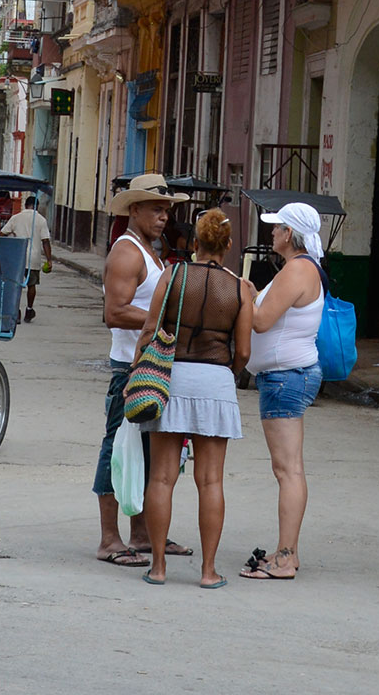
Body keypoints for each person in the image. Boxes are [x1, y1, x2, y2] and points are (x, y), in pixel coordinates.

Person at [133, 209, 253, 588]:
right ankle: (208, 571)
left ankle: (157, 567)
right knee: (211, 482)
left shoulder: (173, 275)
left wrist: (136, 370)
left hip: (172, 378)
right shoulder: (240, 289)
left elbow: (150, 330)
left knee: (162, 477)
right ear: (228, 245)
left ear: (196, 243)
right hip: (216, 381)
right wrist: (227, 372)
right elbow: (244, 352)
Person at [93, 173, 193, 567]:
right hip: (129, 368)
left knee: (148, 453)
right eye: (156, 209)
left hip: (153, 363)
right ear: (134, 210)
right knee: (116, 450)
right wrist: (166, 321)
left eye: (167, 210)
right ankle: (109, 539)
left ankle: (143, 535)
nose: (164, 217)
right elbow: (114, 312)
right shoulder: (127, 253)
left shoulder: (150, 252)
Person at [239, 202, 326, 581]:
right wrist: (254, 292)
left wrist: (245, 296)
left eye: (276, 228)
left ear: (289, 233)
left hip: (285, 377)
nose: (271, 233)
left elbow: (260, 321)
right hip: (289, 375)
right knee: (290, 468)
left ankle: (285, 558)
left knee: (288, 470)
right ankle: (288, 551)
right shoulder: (300, 268)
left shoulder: (297, 270)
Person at [1, 196, 53, 323]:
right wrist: (49, 260)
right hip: (33, 257)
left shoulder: (16, 218)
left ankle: (16, 311)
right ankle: (29, 310)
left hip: (18, 256)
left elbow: (2, 233)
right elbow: (45, 241)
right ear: (37, 206)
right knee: (32, 284)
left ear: (25, 205)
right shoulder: (41, 220)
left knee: (17, 285)